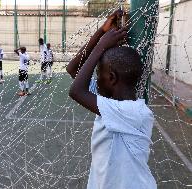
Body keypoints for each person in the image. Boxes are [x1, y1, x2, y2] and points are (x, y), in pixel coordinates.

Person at [67, 10, 157, 189]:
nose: (95, 78)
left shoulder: (134, 113)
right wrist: (101, 31)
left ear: (112, 78)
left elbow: (76, 91)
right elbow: (73, 69)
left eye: (98, 74)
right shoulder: (107, 101)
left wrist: (101, 46)